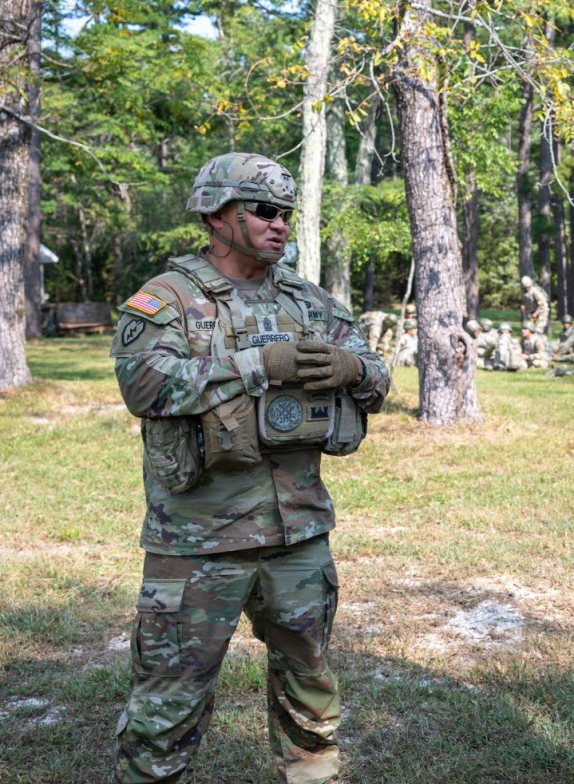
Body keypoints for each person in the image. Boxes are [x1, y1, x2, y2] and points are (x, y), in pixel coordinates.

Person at [109, 152, 391, 783]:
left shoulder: (308, 300)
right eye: (263, 210)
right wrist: (262, 366)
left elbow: (375, 376)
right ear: (216, 214)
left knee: (311, 692)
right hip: (198, 542)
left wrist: (357, 370)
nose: (279, 224)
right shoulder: (169, 299)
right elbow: (145, 388)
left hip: (297, 538)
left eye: (286, 213)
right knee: (168, 703)